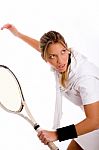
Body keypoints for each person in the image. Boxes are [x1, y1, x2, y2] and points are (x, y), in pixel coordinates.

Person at [1, 24, 99, 150]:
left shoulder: (84, 79)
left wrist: (57, 134)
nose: (60, 61)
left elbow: (95, 120)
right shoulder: (62, 59)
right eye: (53, 56)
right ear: (45, 58)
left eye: (63, 52)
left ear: (67, 49)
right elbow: (44, 49)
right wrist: (18, 34)